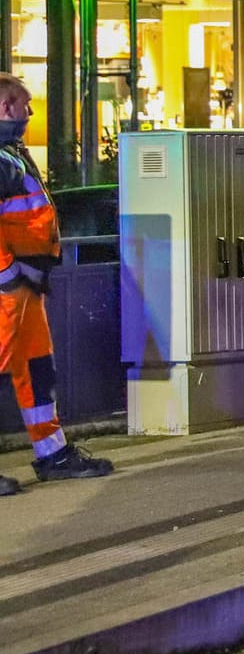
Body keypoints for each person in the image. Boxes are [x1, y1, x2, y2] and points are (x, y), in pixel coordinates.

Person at [0, 76, 114, 491]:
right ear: (5, 107)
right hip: (11, 285)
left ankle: (52, 453)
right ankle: (52, 454)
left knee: (37, 369)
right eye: (24, 105)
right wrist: (8, 277)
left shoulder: (11, 154)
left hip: (24, 285)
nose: (30, 114)